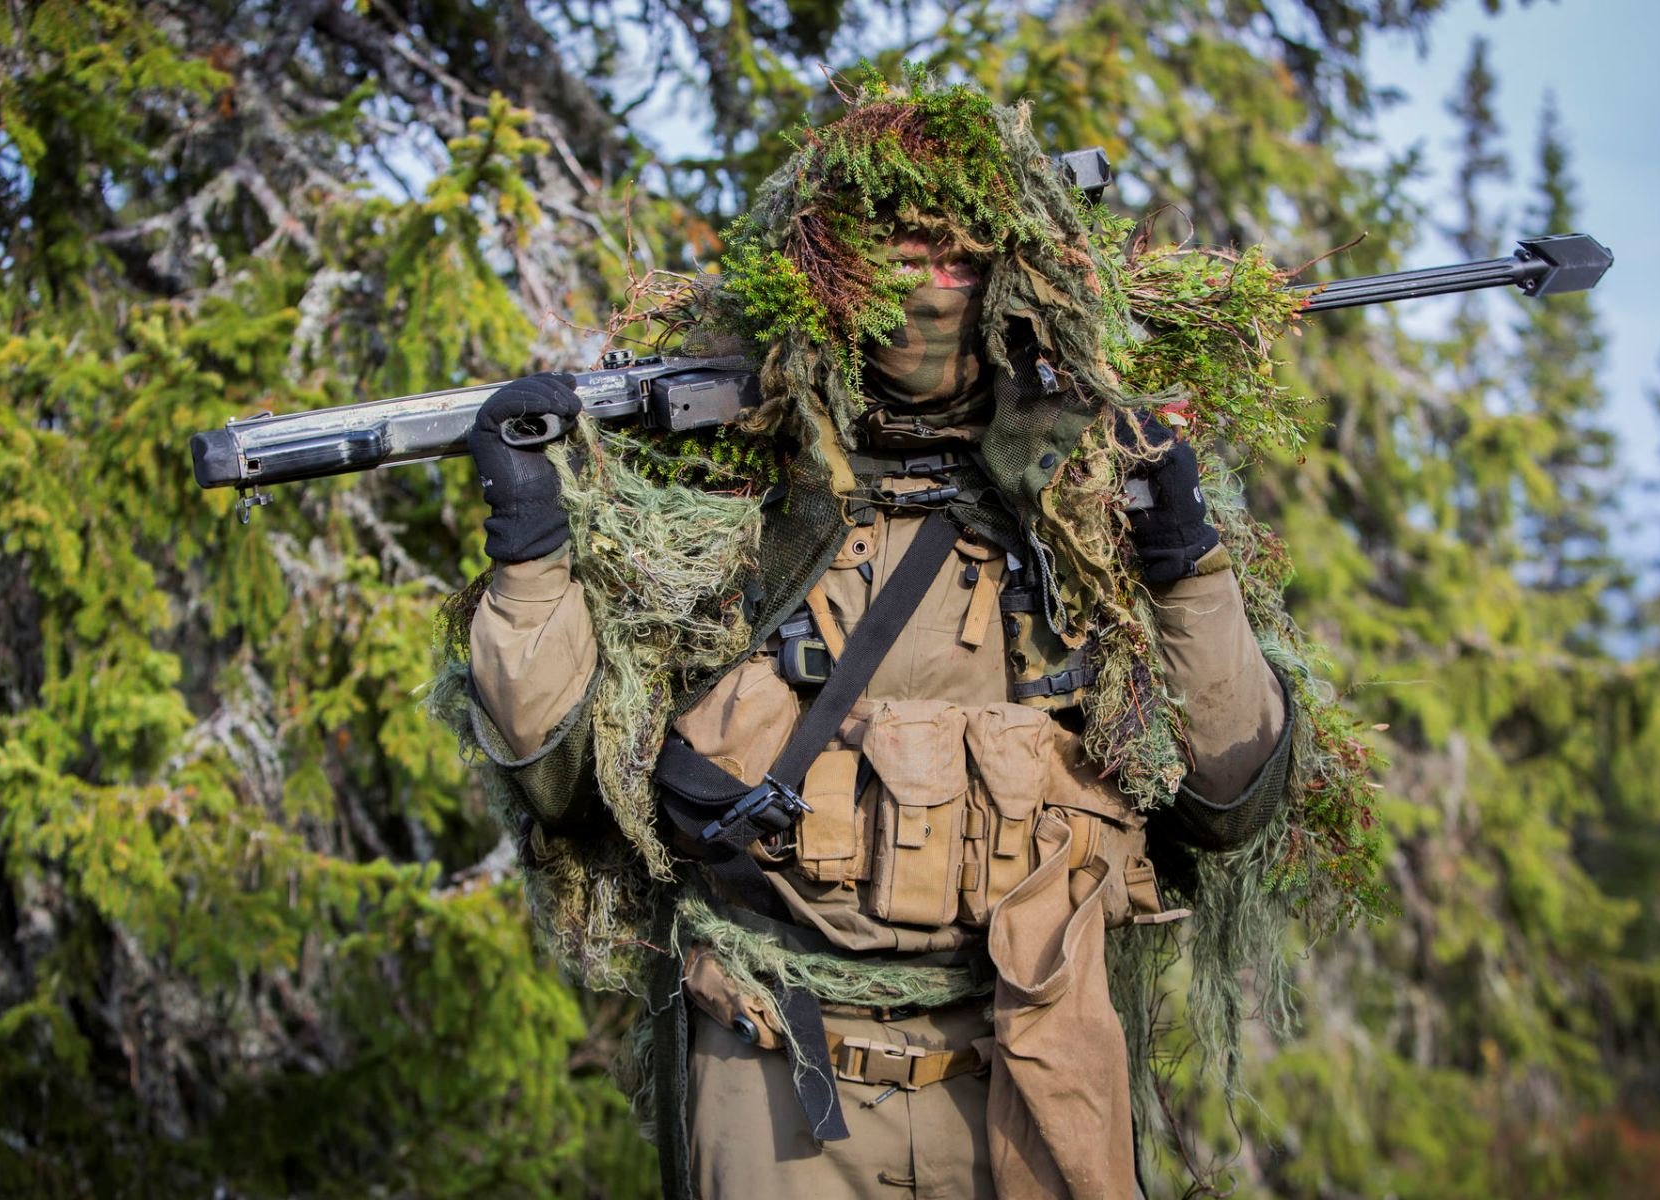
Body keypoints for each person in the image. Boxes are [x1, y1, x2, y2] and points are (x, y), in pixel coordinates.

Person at [445, 82, 1294, 1200]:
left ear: (1012, 275)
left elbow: (1228, 798)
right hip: (775, 1079)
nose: (928, 289)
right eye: (892, 257)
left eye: (956, 259)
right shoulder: (720, 500)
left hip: (1032, 1072)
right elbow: (557, 774)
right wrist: (530, 555)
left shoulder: (1086, 502)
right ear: (826, 278)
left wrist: (1186, 569)